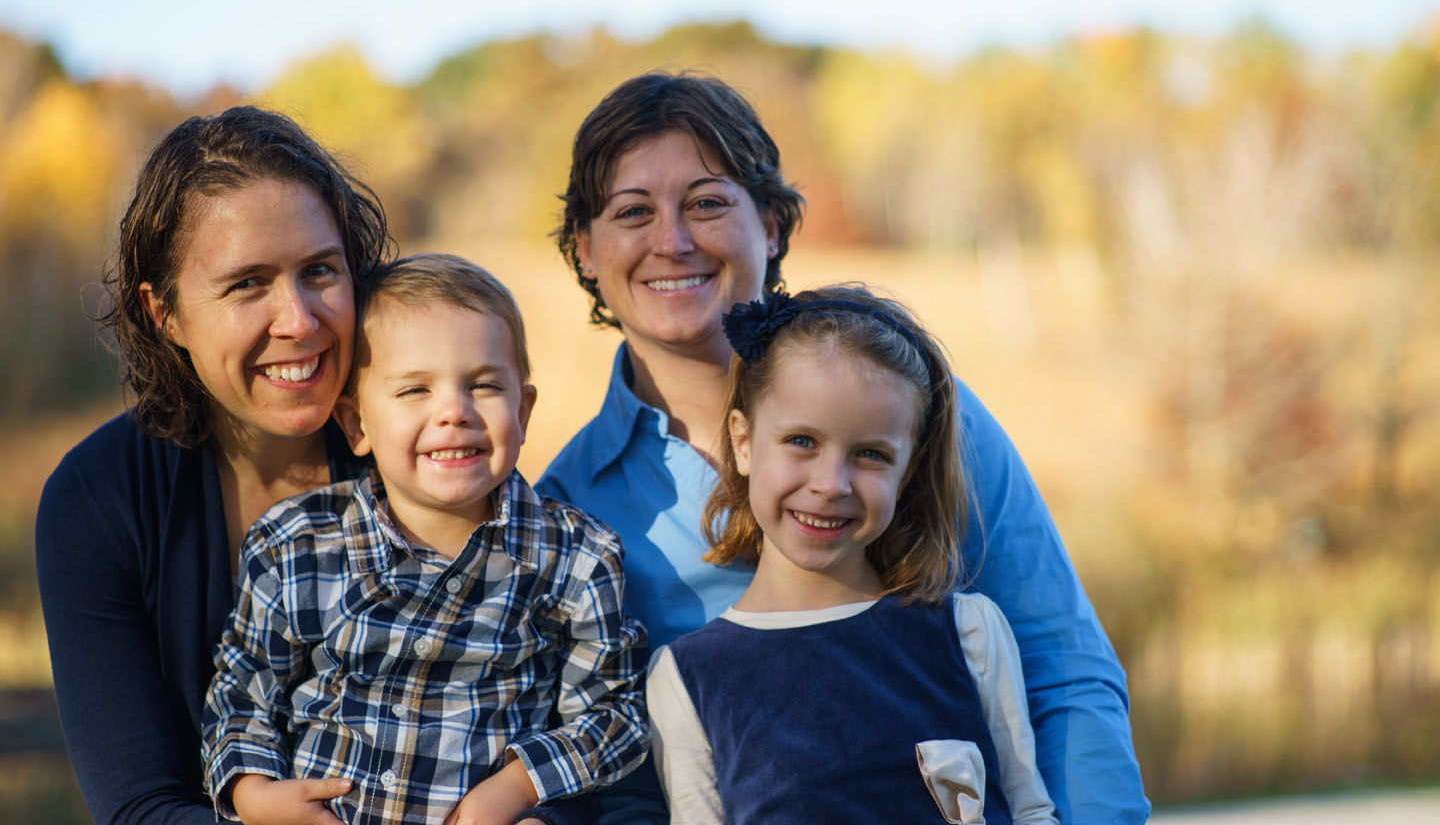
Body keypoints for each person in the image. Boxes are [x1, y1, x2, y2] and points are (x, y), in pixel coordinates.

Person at [538, 72, 1149, 823]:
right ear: (586, 249)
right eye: (633, 212)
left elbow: (1062, 673)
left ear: (771, 223)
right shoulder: (564, 508)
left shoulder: (911, 406)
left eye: (707, 203)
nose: (673, 241)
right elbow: (615, 784)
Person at [32, 108, 561, 825]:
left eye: (319, 271)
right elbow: (138, 807)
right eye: (248, 283)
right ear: (167, 316)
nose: (301, 320)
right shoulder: (99, 500)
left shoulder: (432, 447)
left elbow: (548, 715)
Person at [202, 253, 649, 825]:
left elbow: (614, 711)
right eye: (415, 391)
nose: (454, 413)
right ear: (357, 425)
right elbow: (243, 688)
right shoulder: (296, 547)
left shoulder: (576, 560)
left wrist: (514, 790)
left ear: (523, 408)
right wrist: (253, 792)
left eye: (484, 385)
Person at [648, 284, 1058, 824]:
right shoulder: (689, 677)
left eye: (870, 454)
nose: (830, 483)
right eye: (801, 441)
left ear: (907, 470)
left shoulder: (967, 632)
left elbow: (1030, 810)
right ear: (744, 442)